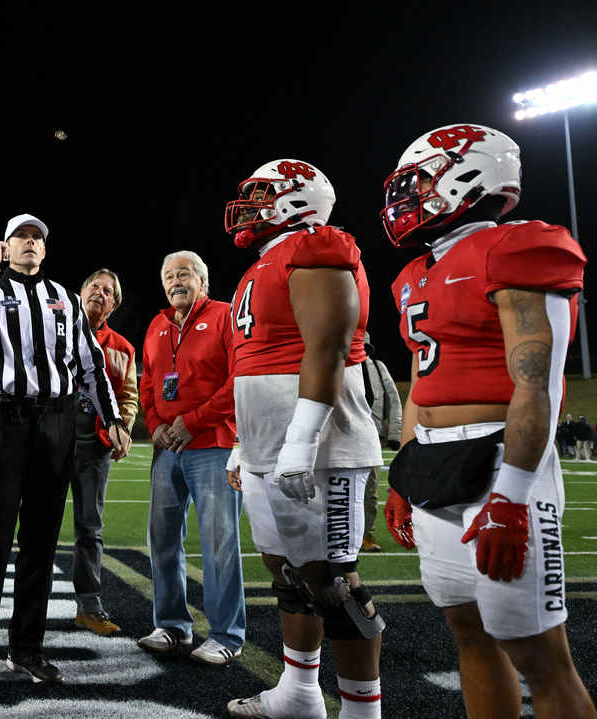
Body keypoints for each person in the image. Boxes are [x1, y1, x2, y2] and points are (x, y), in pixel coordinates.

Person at [381, 123, 594, 718]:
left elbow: (538, 382)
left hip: (502, 462)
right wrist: (404, 474)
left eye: (420, 180)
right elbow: (425, 384)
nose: (406, 196)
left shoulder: (517, 245)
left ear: (467, 175)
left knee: (538, 654)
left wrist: (513, 496)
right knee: (469, 635)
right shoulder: (414, 273)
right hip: (435, 462)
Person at [223, 159, 384, 718]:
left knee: (334, 582)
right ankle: (298, 695)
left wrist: (300, 442)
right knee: (289, 572)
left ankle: (364, 711)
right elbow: (254, 361)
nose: (249, 205)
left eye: (262, 194)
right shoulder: (265, 262)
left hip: (320, 444)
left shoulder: (318, 246)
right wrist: (247, 443)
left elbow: (328, 347)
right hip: (269, 441)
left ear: (298, 198)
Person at [0, 214, 128, 700]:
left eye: (36, 239)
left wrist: (112, 418)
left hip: (57, 422)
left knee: (41, 543)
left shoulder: (66, 299)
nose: (29, 243)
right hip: (5, 420)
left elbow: (89, 363)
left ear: (45, 250)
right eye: (20, 238)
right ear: (5, 247)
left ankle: (26, 647)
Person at [137, 251, 244, 665]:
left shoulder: (225, 315)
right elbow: (147, 382)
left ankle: (226, 636)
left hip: (213, 444)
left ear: (203, 279)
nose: (175, 281)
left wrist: (194, 421)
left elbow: (241, 378)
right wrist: (155, 424)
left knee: (219, 544)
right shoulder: (156, 324)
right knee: (162, 540)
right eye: (168, 275)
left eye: (184, 273)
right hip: (167, 449)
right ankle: (172, 626)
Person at [71, 269, 138, 636]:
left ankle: (89, 607)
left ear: (113, 305)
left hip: (92, 448)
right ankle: (27, 606)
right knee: (38, 527)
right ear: (80, 292)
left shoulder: (123, 348)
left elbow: (128, 396)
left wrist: (122, 427)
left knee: (90, 529)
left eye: (108, 291)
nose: (99, 293)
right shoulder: (56, 331)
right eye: (93, 286)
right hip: (51, 442)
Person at [360, 333, 402, 552]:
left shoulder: (376, 367)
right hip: (341, 435)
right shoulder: (336, 362)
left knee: (371, 489)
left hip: (371, 436)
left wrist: (394, 434)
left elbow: (394, 399)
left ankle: (367, 535)